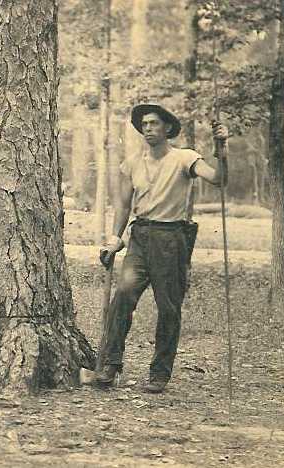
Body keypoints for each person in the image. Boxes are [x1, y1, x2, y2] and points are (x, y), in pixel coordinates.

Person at [95, 103, 229, 394]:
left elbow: (218, 179)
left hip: (172, 239)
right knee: (123, 297)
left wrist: (222, 147)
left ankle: (160, 373)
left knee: (168, 308)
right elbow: (123, 205)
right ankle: (111, 364)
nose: (148, 129)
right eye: (144, 124)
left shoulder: (184, 158)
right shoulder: (132, 162)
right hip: (140, 236)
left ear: (168, 128)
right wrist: (115, 239)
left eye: (154, 123)